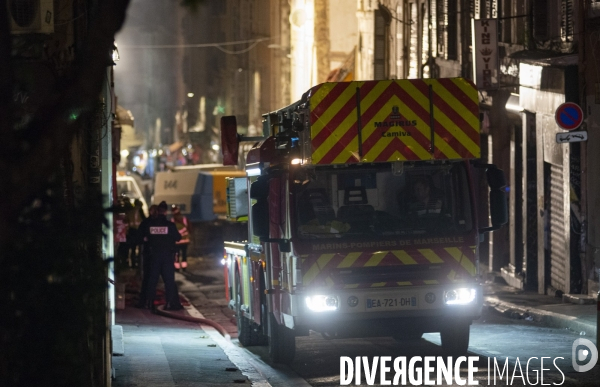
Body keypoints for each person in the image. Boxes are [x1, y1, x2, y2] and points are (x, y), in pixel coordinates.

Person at [139, 201, 184, 311]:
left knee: (152, 280)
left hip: (153, 256)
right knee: (169, 281)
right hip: (167, 257)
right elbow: (178, 237)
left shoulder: (150, 225)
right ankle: (170, 303)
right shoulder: (170, 225)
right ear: (166, 212)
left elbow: (142, 236)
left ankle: (149, 303)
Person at [135, 204, 158, 309]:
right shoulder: (146, 223)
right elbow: (139, 237)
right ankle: (145, 300)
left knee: (153, 278)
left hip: (156, 255)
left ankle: (150, 300)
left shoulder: (152, 223)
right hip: (149, 254)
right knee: (148, 278)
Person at [171, 205, 190, 271]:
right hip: (185, 241)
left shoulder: (172, 220)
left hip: (177, 242)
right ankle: (184, 268)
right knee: (184, 254)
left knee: (176, 255)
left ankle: (177, 268)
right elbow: (189, 228)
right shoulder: (185, 219)